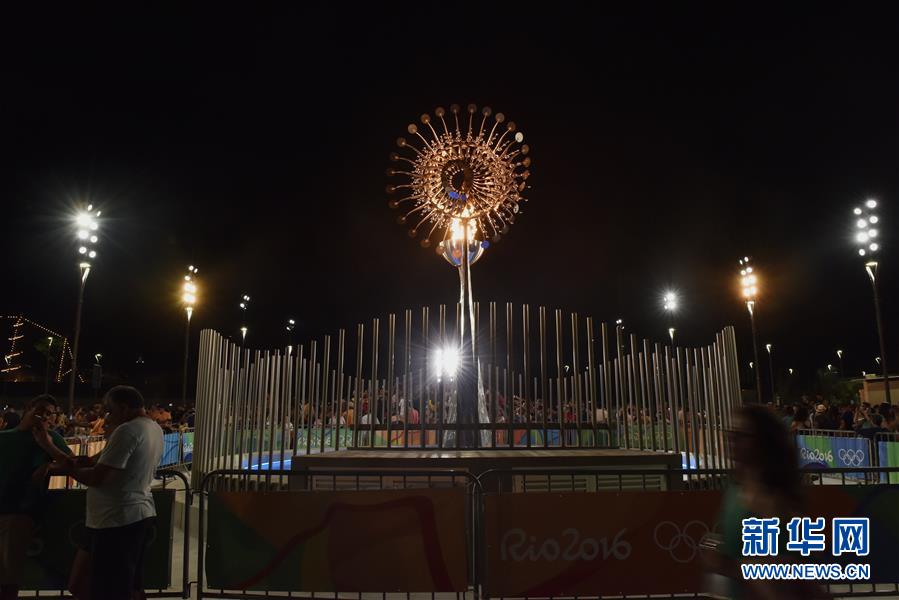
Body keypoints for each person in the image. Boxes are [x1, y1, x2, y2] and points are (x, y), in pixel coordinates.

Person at [45, 386, 163, 600]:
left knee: (113, 589)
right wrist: (49, 447)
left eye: (109, 410)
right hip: (117, 519)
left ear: (123, 408)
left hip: (118, 521)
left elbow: (96, 477)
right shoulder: (153, 427)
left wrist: (63, 470)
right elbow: (89, 461)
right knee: (95, 584)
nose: (106, 416)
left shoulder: (127, 431)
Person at [0, 395, 72, 600]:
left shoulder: (51, 439)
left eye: (50, 414)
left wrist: (49, 461)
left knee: (8, 574)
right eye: (41, 410)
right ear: (29, 408)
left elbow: (72, 464)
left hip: (18, 513)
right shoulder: (4, 437)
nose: (44, 416)